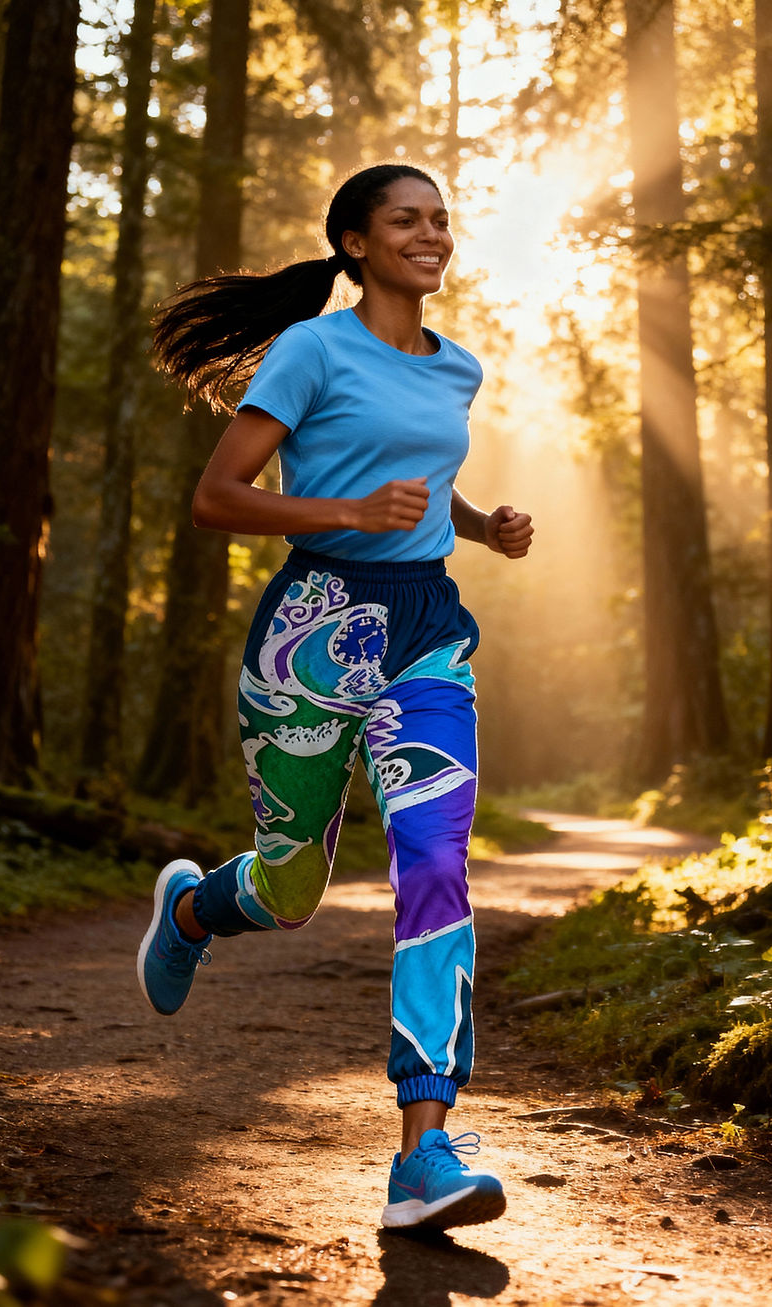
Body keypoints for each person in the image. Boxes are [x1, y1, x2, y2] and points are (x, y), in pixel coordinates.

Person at [136, 162, 534, 1232]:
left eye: (439, 220)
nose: (430, 235)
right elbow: (218, 495)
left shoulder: (458, 368)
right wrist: (350, 514)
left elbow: (415, 483)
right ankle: (191, 905)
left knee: (434, 859)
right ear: (354, 244)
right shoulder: (310, 348)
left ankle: (423, 1148)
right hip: (311, 633)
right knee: (289, 886)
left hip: (427, 636)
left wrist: (476, 525)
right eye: (405, 220)